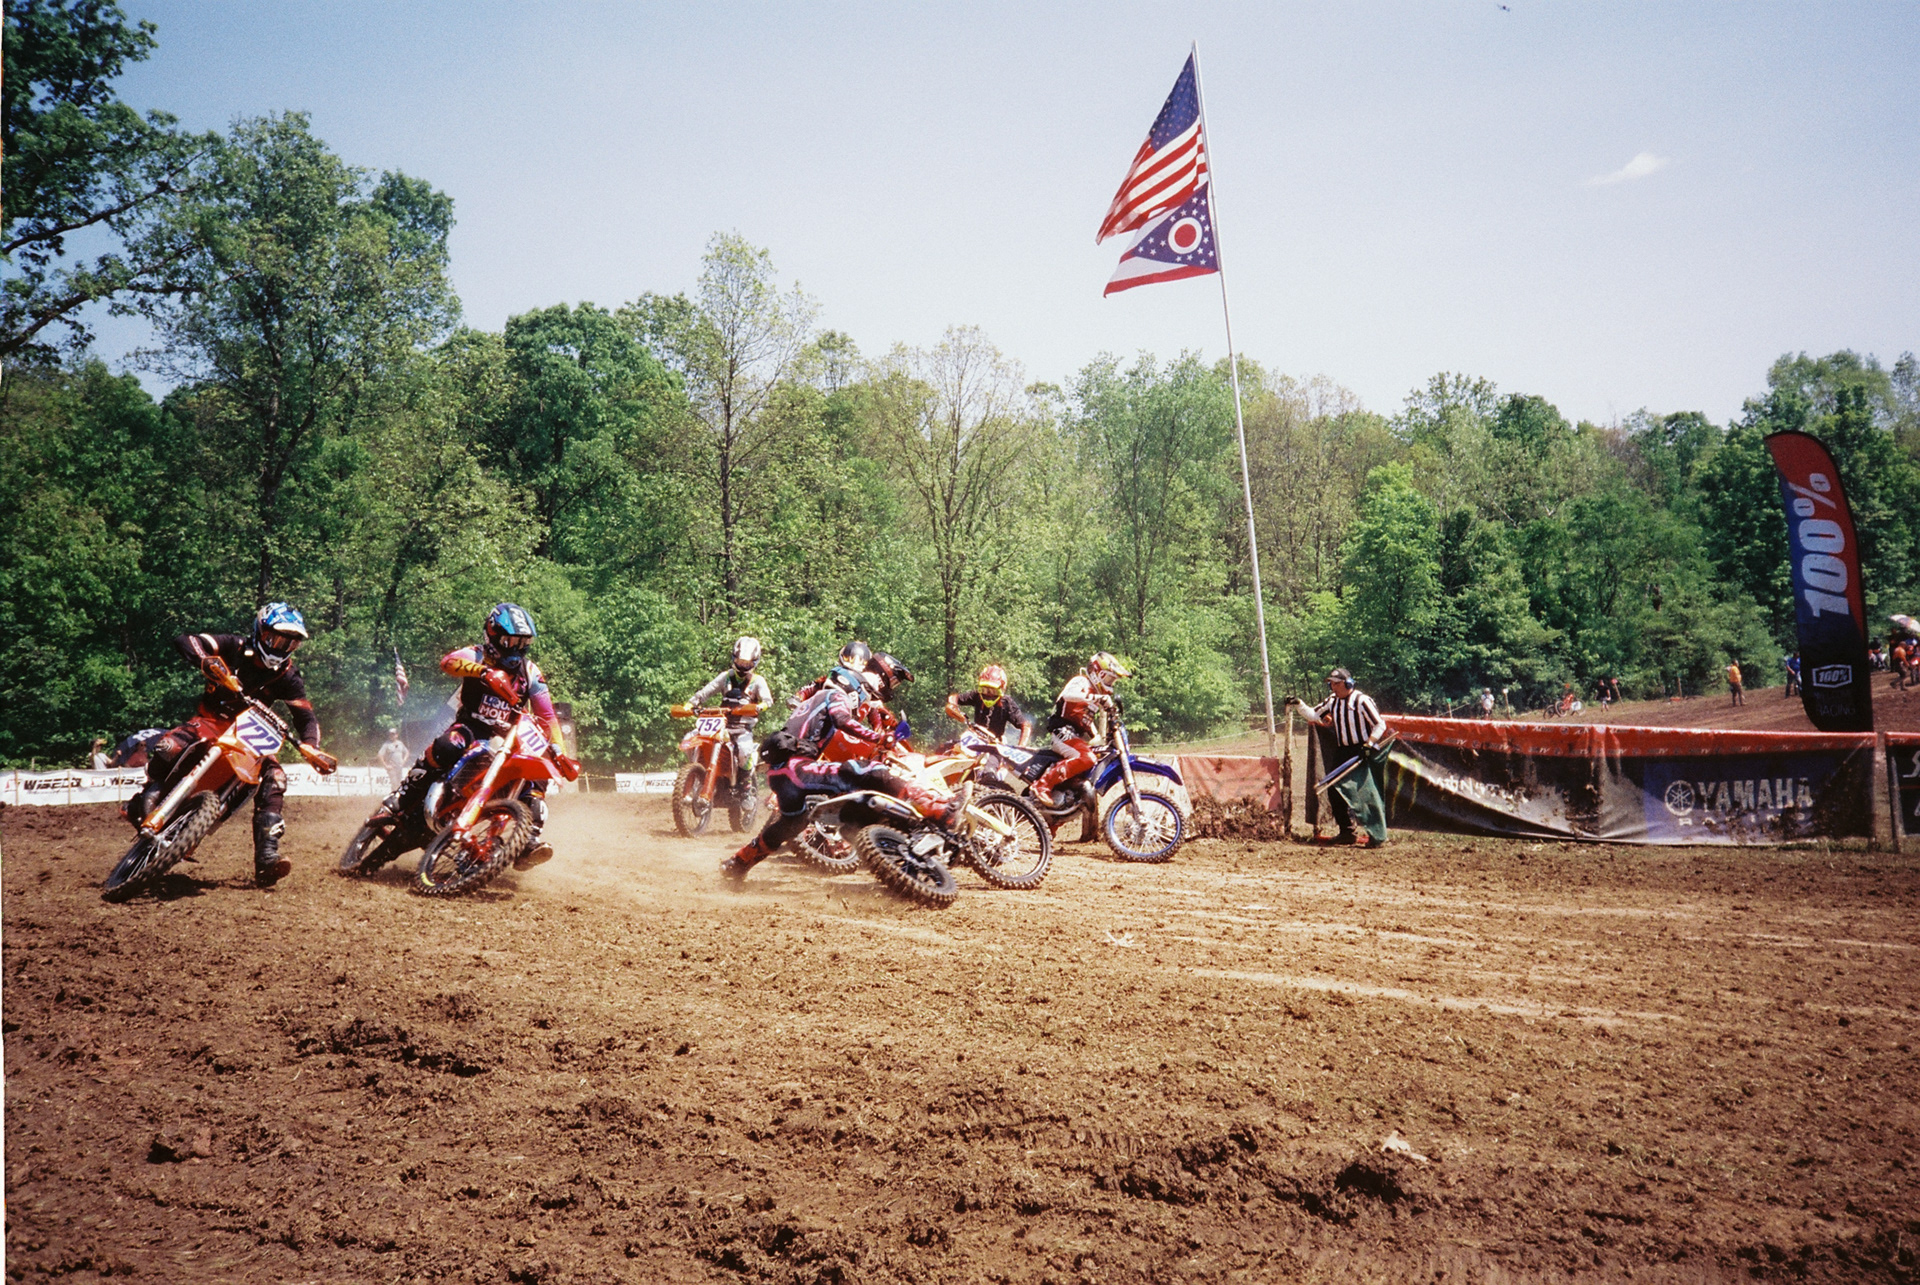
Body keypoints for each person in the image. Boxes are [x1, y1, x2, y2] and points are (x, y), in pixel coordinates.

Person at [125, 603, 339, 886]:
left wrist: (311, 745)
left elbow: (305, 716)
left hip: (249, 737)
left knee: (276, 778)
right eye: (276, 640)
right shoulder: (235, 646)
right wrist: (207, 661)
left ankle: (267, 858)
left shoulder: (287, 674)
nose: (282, 648)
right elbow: (187, 640)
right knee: (170, 746)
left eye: (290, 643)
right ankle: (144, 797)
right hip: (211, 720)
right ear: (260, 631)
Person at [382, 603, 580, 870]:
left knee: (538, 775)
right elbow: (447, 662)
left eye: (523, 643)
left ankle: (527, 840)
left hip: (507, 739)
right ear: (493, 636)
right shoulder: (476, 655)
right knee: (447, 745)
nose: (517, 649)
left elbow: (547, 716)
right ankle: (402, 796)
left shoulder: (531, 672)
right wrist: (483, 672)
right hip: (472, 727)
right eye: (511, 641)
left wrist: (559, 751)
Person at [721, 663, 954, 883]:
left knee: (791, 825)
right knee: (869, 770)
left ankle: (738, 863)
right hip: (797, 768)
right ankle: (939, 809)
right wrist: (879, 738)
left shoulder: (812, 701)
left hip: (780, 775)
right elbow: (843, 720)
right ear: (854, 689)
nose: (861, 703)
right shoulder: (834, 695)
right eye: (862, 696)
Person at [1285, 667, 1390, 848]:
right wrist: (1299, 703)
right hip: (1343, 751)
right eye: (1331, 684)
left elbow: (1380, 725)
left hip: (1362, 750)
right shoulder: (1332, 700)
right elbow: (1313, 715)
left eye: (1336, 683)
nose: (1333, 687)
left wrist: (1369, 744)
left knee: (1365, 793)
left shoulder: (1362, 700)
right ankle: (1347, 832)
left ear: (1347, 683)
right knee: (1335, 790)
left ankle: (1378, 836)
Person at [1032, 652, 1131, 809]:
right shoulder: (1081, 681)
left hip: (1074, 735)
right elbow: (1068, 695)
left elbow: (1085, 721)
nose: (1110, 683)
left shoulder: (1093, 697)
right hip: (1061, 730)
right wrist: (1097, 698)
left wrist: (1097, 735)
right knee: (1087, 758)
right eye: (1108, 678)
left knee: (1095, 760)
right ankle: (1042, 785)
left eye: (1112, 680)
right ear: (1097, 673)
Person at [685, 636, 774, 789]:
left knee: (744, 750)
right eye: (740, 662)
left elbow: (768, 700)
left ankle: (745, 785)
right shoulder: (725, 677)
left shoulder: (757, 681)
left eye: (747, 663)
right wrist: (691, 703)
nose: (743, 666)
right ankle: (696, 772)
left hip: (742, 727)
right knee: (689, 738)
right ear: (734, 658)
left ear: (754, 662)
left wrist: (760, 706)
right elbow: (707, 691)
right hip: (720, 723)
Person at [946, 664, 1035, 746]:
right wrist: (953, 707)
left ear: (1001, 690)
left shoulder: (1007, 703)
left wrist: (1020, 747)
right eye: (984, 690)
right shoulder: (977, 695)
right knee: (946, 747)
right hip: (975, 739)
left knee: (990, 759)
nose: (988, 694)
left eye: (993, 691)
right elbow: (954, 698)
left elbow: (1025, 725)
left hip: (995, 745)